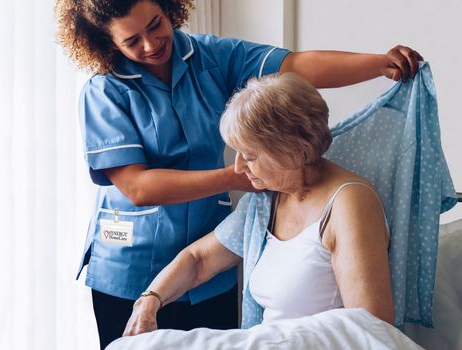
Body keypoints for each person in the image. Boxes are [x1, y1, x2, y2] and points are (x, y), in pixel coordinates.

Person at [54, 0, 418, 350]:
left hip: (209, 267)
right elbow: (138, 187)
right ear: (108, 44)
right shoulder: (104, 92)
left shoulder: (212, 57)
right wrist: (239, 176)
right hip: (130, 269)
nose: (151, 44)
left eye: (155, 25)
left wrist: (378, 64)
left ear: (166, 4)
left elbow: (296, 66)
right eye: (132, 41)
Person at [123, 73, 392, 336]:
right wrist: (150, 299)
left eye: (249, 156)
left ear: (296, 150)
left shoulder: (349, 204)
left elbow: (371, 329)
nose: (238, 167)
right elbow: (199, 260)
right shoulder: (266, 200)